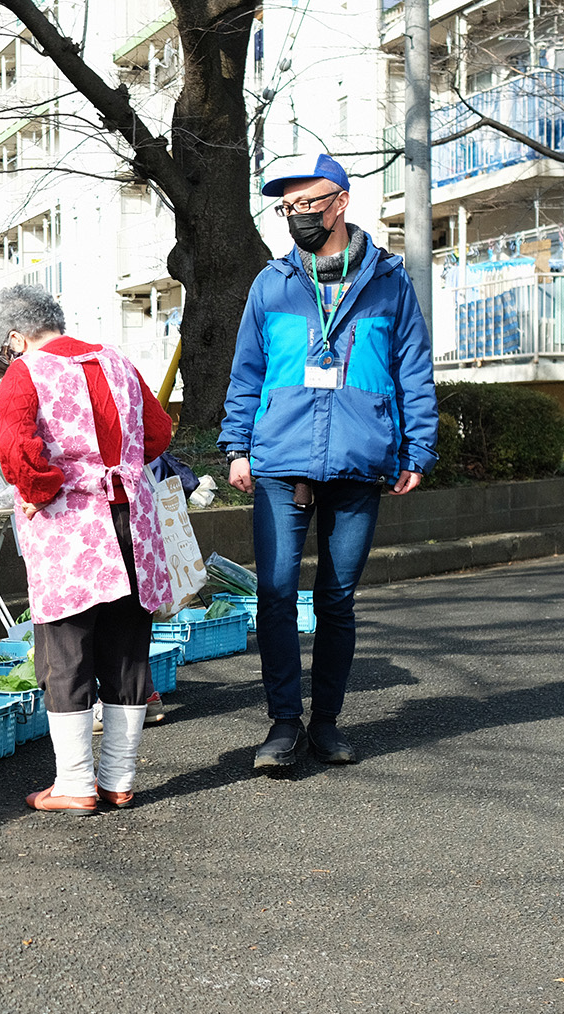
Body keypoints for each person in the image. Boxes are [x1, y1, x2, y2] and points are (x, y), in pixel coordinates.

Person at [219, 152, 439, 771]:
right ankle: (284, 724)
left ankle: (327, 723)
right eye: (286, 208)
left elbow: (413, 371)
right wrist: (237, 445)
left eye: (306, 205)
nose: (295, 217)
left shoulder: (390, 284)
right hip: (281, 455)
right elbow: (246, 372)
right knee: (276, 592)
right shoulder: (272, 283)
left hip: (359, 454)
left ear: (340, 203)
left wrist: (418, 447)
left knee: (338, 598)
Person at [0, 284, 173, 814]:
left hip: (73, 528)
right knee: (128, 646)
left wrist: (39, 490)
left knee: (67, 649)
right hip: (133, 520)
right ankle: (118, 777)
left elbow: (14, 448)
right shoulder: (117, 361)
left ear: (17, 337)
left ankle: (74, 782)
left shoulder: (27, 372)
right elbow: (157, 434)